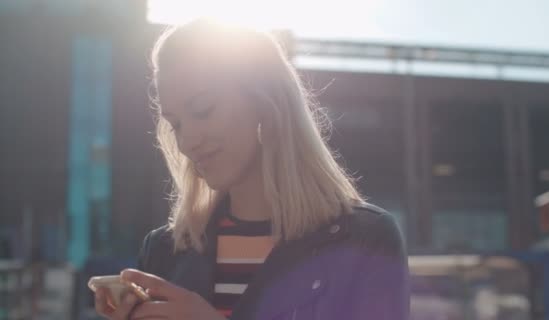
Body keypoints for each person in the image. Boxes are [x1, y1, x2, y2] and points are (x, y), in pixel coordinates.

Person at [94, 18, 409, 320]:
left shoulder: (365, 240)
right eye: (175, 124)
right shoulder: (165, 250)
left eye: (203, 110)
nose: (187, 141)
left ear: (264, 101)